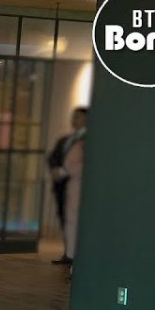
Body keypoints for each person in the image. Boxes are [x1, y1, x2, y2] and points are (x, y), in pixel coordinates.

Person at [47, 107, 87, 265]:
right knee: (65, 218)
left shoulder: (87, 139)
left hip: (76, 185)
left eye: (78, 117)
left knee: (74, 219)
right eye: (74, 116)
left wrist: (65, 171)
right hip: (62, 185)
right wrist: (55, 169)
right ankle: (68, 252)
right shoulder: (66, 139)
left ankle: (74, 254)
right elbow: (53, 157)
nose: (74, 120)